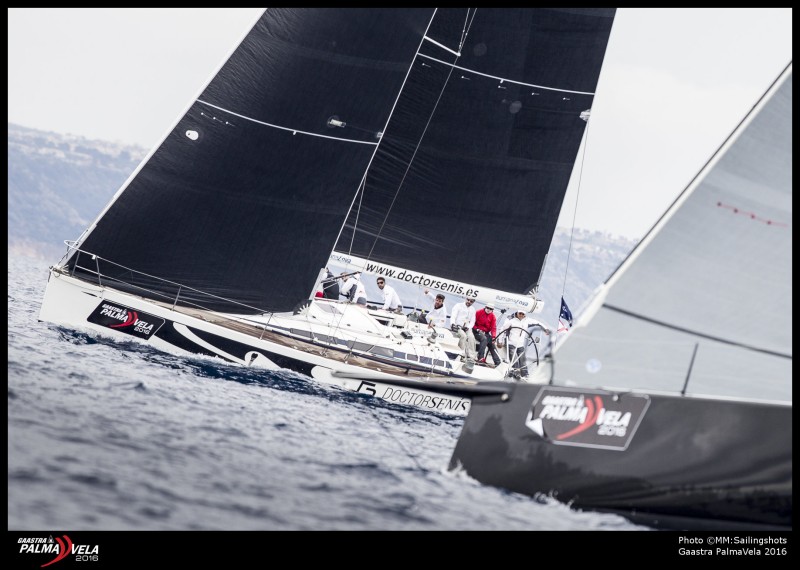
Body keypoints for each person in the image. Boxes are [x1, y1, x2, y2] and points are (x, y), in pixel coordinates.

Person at [498, 310, 551, 378]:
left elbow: (538, 323)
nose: (521, 315)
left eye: (523, 314)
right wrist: (500, 341)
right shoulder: (511, 321)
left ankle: (525, 375)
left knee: (522, 359)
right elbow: (502, 330)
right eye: (520, 313)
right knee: (515, 358)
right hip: (511, 343)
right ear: (517, 313)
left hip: (520, 344)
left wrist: (545, 329)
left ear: (524, 315)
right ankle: (515, 372)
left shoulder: (527, 320)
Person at [449, 295, 477, 360]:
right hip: (458, 326)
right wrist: (452, 324)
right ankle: (461, 354)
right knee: (463, 336)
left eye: (471, 301)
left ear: (473, 302)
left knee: (471, 337)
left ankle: (471, 357)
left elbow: (472, 321)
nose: (469, 302)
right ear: (466, 299)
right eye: (468, 300)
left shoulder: (473, 309)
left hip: (467, 327)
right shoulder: (458, 305)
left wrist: (468, 327)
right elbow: (453, 316)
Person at [473, 303, 500, 367]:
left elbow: (493, 328)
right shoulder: (478, 312)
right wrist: (477, 329)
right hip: (476, 332)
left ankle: (498, 362)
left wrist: (493, 337)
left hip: (486, 333)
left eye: (490, 309)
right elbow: (472, 323)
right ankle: (480, 357)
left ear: (492, 310)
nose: (488, 309)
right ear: (485, 307)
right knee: (484, 339)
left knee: (491, 343)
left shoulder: (493, 317)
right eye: (487, 308)